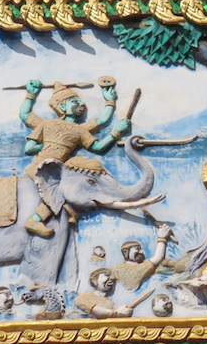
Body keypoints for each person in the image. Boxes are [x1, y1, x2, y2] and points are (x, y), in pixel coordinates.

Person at [20, 79, 130, 237]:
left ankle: (69, 212)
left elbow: (99, 135)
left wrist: (111, 108)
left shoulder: (80, 130)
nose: (81, 104)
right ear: (62, 106)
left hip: (57, 170)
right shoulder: (47, 124)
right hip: (40, 168)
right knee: (61, 192)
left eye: (80, 100)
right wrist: (31, 95)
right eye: (74, 101)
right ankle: (36, 220)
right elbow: (25, 120)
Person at [111, 225, 172, 291]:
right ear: (126, 252)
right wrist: (162, 238)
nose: (141, 252)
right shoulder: (119, 269)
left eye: (141, 249)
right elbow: (158, 258)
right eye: (137, 249)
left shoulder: (142, 267)